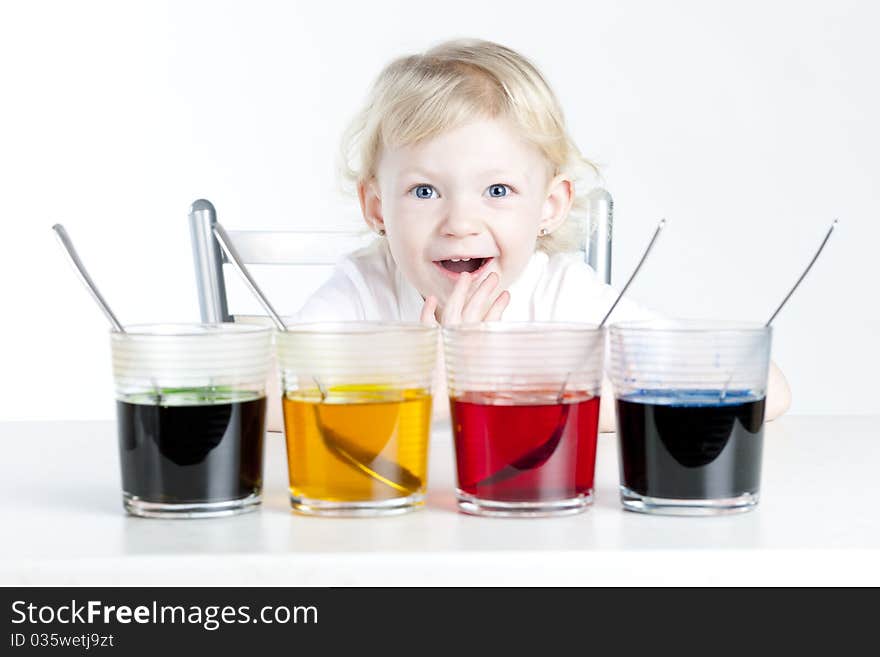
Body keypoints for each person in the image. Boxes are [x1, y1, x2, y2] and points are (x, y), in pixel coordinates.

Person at [291, 38, 791, 429]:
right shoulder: (363, 288)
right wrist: (440, 385)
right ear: (376, 207)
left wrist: (510, 389)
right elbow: (264, 392)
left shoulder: (563, 294)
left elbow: (763, 385)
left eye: (498, 190)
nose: (460, 223)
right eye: (424, 192)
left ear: (550, 206)